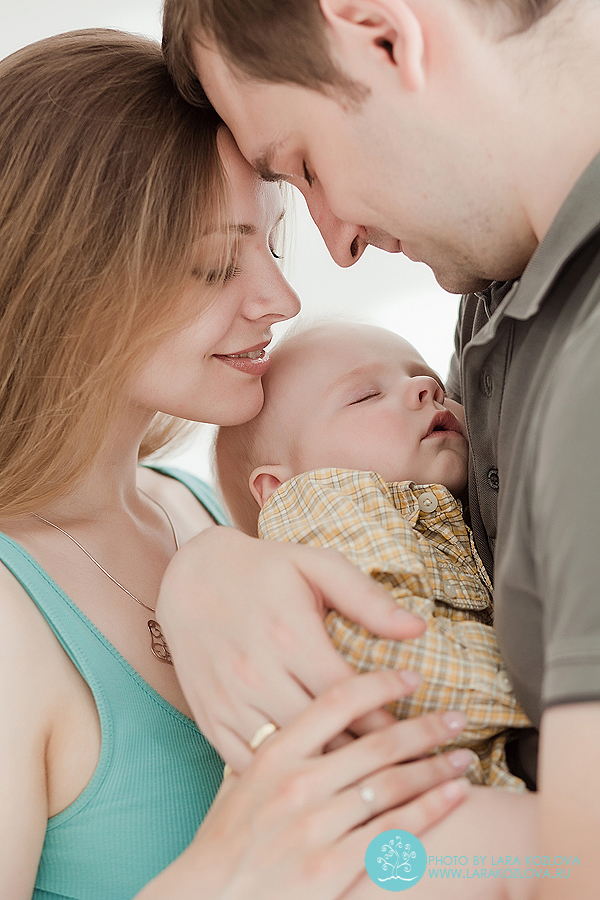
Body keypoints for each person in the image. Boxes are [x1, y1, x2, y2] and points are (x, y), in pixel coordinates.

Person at [0, 29, 481, 900]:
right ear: (67, 282)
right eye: (218, 264)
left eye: (271, 244)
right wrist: (222, 880)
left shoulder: (204, 512)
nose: (281, 300)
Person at [158, 0, 600, 894]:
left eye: (306, 167)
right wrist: (207, 570)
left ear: (385, 32)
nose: (340, 245)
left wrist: (379, 859)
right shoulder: (500, 302)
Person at [215, 320, 531, 791]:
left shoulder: (455, 518)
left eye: (434, 383)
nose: (425, 388)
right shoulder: (320, 504)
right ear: (279, 489)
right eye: (365, 396)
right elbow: (383, 655)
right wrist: (542, 689)